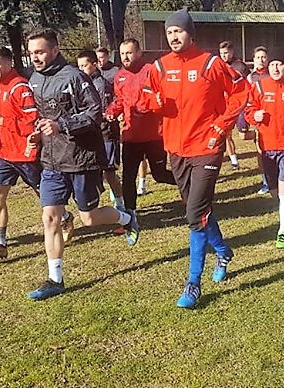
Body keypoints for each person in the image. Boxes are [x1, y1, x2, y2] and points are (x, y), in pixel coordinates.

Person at [143, 8, 248, 309]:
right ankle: (224, 251)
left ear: (190, 33)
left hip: (207, 147)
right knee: (198, 211)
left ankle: (193, 282)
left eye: (179, 31)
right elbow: (147, 96)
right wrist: (155, 102)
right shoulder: (160, 67)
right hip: (176, 149)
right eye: (170, 33)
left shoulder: (211, 64)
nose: (174, 37)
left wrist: (221, 126)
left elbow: (240, 92)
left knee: (194, 214)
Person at [24, 30, 138, 300]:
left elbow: (94, 113)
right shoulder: (35, 79)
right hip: (52, 161)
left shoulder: (75, 77)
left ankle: (127, 217)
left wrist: (61, 125)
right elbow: (43, 116)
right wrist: (38, 132)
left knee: (87, 218)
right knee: (50, 218)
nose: (35, 58)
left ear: (54, 50)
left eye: (40, 52)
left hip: (80, 158)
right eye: (31, 53)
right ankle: (55, 278)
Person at [0, 46, 40, 260]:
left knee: (42, 193)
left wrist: (4, 122)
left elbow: (32, 123)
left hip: (24, 153)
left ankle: (65, 217)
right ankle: (0, 244)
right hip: (4, 152)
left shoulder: (20, 86)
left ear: (8, 63)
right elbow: (3, 116)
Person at [104, 38, 177, 218]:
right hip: (131, 135)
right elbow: (120, 100)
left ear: (139, 53)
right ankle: (130, 214)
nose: (125, 57)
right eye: (122, 54)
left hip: (154, 135)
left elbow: (164, 97)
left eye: (129, 53)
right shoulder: (119, 76)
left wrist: (147, 107)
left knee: (159, 175)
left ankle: (189, 185)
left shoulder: (151, 71)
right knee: (129, 177)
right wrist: (111, 111)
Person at [244, 46, 284, 248]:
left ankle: (283, 231)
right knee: (274, 192)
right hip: (267, 146)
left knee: (283, 191)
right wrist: (254, 116)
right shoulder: (259, 86)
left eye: (279, 64)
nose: (275, 68)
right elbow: (249, 109)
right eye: (272, 65)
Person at [77, 50, 125, 218]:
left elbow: (101, 113)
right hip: (92, 135)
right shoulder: (83, 83)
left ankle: (121, 205)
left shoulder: (100, 84)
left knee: (109, 172)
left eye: (85, 65)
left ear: (95, 65)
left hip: (106, 134)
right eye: (79, 66)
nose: (81, 69)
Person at [218, 40, 250, 171]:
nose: (224, 56)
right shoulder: (219, 65)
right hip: (227, 106)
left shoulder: (240, 66)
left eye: (226, 53)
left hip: (241, 106)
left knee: (243, 136)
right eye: (222, 53)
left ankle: (258, 136)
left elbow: (249, 83)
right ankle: (235, 162)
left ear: (232, 52)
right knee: (226, 134)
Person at [247, 46, 271, 195]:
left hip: (274, 118)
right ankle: (265, 181)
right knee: (261, 151)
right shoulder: (250, 78)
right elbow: (248, 100)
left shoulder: (273, 74)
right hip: (259, 119)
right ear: (253, 60)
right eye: (258, 57)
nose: (261, 60)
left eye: (263, 57)